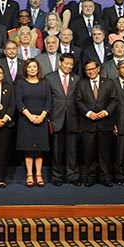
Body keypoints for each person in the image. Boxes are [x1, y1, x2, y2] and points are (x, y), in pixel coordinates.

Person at [76, 60, 119, 187]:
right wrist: (89, 113)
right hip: (88, 123)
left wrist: (106, 112)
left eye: (93, 68)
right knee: (89, 153)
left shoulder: (108, 83)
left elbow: (114, 100)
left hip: (105, 123)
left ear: (98, 68)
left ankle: (105, 177)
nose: (91, 71)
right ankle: (89, 177)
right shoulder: (81, 83)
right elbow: (78, 101)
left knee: (105, 153)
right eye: (88, 69)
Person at [15, 59, 52, 187]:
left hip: (41, 119)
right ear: (25, 69)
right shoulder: (20, 83)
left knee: (40, 149)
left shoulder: (44, 83)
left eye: (34, 67)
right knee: (29, 148)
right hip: (26, 119)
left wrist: (42, 115)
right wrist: (29, 116)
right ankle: (30, 174)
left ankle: (39, 174)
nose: (32, 69)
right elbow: (19, 101)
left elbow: (49, 101)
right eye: (29, 67)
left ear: (38, 69)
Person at [45, 53, 80, 186]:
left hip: (72, 119)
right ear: (60, 63)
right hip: (56, 118)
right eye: (66, 63)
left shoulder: (76, 78)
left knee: (72, 150)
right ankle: (57, 176)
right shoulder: (49, 78)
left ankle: (73, 175)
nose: (69, 66)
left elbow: (78, 100)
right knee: (57, 150)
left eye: (71, 64)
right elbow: (47, 99)